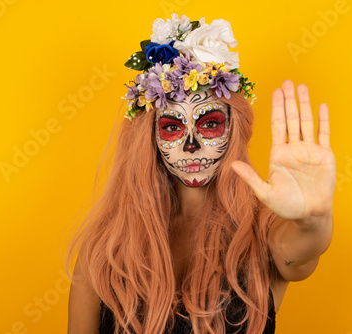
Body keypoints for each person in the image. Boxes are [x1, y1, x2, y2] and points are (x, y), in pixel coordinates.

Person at [66, 14, 336, 334]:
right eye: (172, 127)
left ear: (233, 130)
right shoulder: (105, 250)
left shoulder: (264, 235)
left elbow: (300, 254)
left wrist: (314, 220)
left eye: (209, 124)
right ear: (148, 138)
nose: (191, 145)